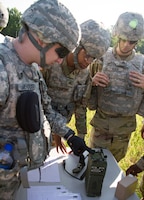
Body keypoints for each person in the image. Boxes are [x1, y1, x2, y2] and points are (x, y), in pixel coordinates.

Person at [0, 0, 92, 199]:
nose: (60, 60)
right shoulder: (2, 68)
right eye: (61, 52)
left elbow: (46, 111)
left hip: (18, 176)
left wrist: (69, 135)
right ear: (42, 38)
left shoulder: (33, 70)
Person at [41, 19, 111, 153]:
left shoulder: (85, 74)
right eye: (88, 55)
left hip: (61, 129)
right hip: (37, 127)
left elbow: (80, 106)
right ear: (77, 46)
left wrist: (80, 136)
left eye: (94, 58)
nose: (88, 62)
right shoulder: (50, 63)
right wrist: (61, 131)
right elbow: (39, 103)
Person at [88, 12, 144, 162]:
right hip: (101, 127)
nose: (126, 45)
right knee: (93, 168)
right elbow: (82, 89)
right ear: (117, 36)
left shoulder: (142, 64)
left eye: (132, 42)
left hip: (123, 131)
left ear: (137, 41)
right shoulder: (100, 58)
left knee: (113, 170)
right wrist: (91, 81)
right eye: (123, 39)